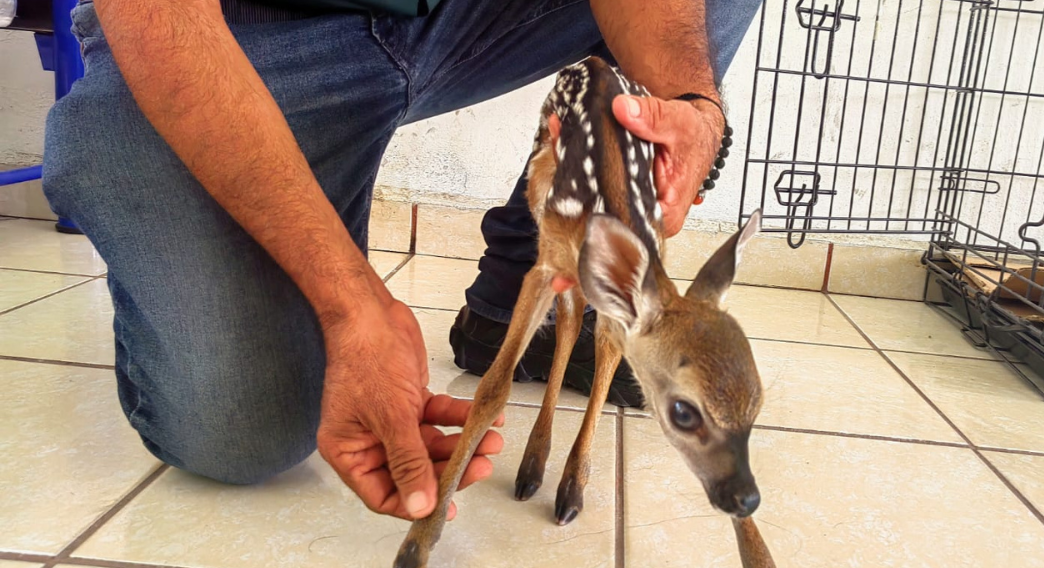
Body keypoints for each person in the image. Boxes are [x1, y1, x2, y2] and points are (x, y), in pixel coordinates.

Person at [42, 0, 759, 524]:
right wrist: (348, 301)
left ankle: (519, 285)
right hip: (245, 31)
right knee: (239, 430)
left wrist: (693, 106)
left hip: (458, 18)